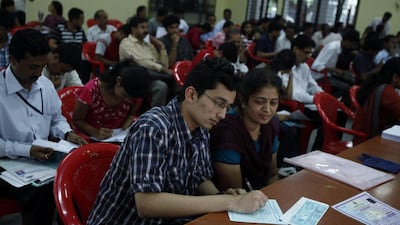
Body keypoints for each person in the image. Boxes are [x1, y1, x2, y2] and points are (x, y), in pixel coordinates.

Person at [87, 57, 268, 225]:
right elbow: (147, 203)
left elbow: (199, 179)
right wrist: (229, 202)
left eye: (227, 107)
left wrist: (221, 195)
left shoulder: (202, 127)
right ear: (191, 95)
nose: (222, 114)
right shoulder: (154, 128)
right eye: (219, 104)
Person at [0, 29, 87, 225]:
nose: (38, 73)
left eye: (42, 66)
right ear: (13, 59)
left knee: (79, 175)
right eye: (32, 67)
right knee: (42, 190)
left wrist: (67, 133)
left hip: (41, 159)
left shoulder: (44, 85)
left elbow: (56, 118)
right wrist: (27, 150)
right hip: (5, 163)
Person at [210, 68, 282, 191]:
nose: (268, 109)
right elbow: (235, 192)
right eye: (260, 102)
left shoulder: (271, 125)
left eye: (273, 103)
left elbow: (272, 176)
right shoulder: (227, 134)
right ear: (243, 101)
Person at [73, 63, 150, 140]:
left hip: (119, 136)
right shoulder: (91, 90)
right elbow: (77, 120)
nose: (127, 100)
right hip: (93, 136)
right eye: (124, 95)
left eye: (131, 98)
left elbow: (131, 114)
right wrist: (95, 132)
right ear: (118, 80)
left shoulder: (133, 93)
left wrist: (125, 126)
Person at [119, 16, 171, 106]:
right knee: (161, 86)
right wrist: (163, 69)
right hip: (134, 78)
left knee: (173, 81)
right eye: (142, 27)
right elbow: (141, 61)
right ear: (134, 29)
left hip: (152, 75)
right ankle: (154, 114)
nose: (146, 30)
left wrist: (162, 47)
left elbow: (164, 64)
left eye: (147, 27)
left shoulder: (148, 45)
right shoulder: (126, 43)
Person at [353, 57, 400, 144]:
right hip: (367, 142)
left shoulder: (377, 83)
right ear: (395, 77)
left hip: (361, 135)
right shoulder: (387, 92)